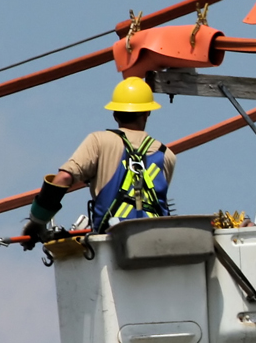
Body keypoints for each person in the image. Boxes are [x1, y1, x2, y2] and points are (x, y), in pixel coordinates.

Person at [20, 76, 176, 246]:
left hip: (112, 243)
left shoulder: (99, 141)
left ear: (115, 114)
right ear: (147, 113)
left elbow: (63, 178)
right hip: (158, 243)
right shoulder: (166, 155)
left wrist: (37, 222)